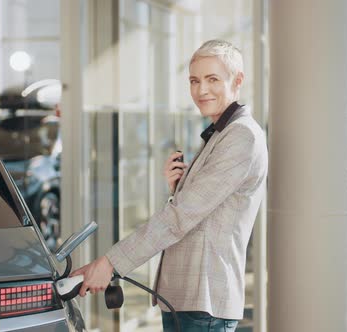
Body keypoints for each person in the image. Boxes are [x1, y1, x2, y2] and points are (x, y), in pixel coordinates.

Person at [70, 39, 268, 331]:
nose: (201, 90)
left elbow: (180, 217)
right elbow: (199, 212)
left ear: (237, 80)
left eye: (212, 79)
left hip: (205, 303)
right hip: (187, 299)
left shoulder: (241, 136)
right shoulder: (222, 133)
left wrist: (110, 263)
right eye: (194, 80)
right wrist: (179, 189)